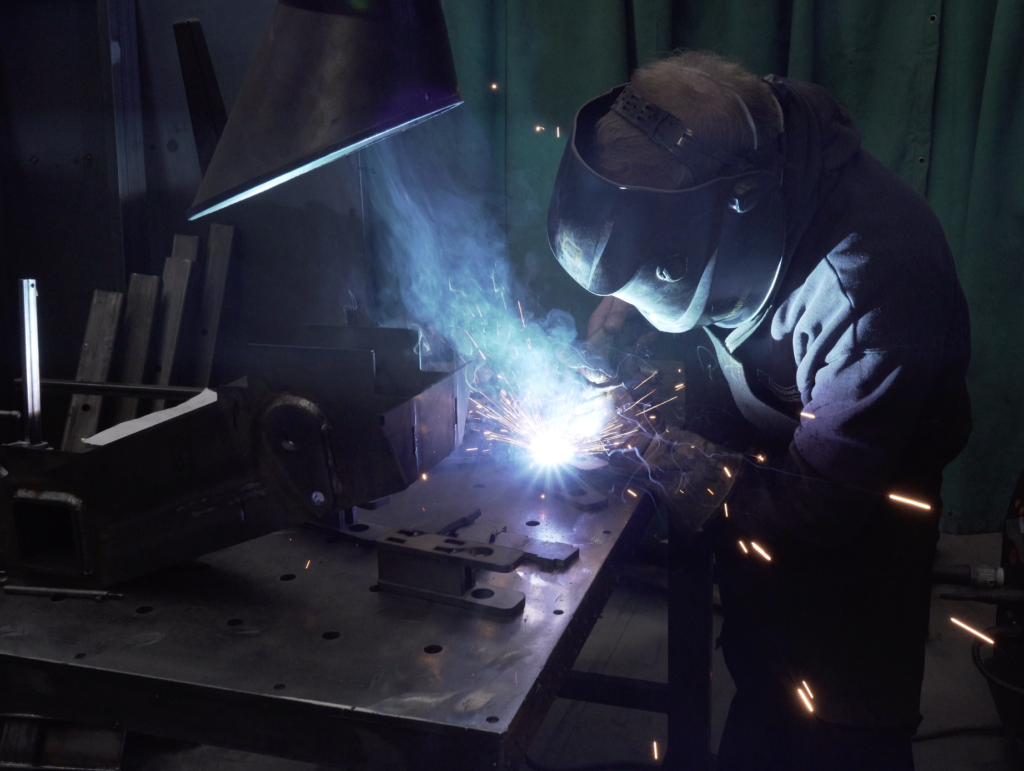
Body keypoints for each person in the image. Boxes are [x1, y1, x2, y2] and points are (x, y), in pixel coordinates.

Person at [547, 51, 971, 770]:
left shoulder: (869, 286)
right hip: (772, 435)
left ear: (742, 204)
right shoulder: (719, 137)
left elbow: (819, 507)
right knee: (765, 681)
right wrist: (615, 323)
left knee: (837, 711)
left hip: (859, 514)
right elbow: (648, 223)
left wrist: (657, 451)